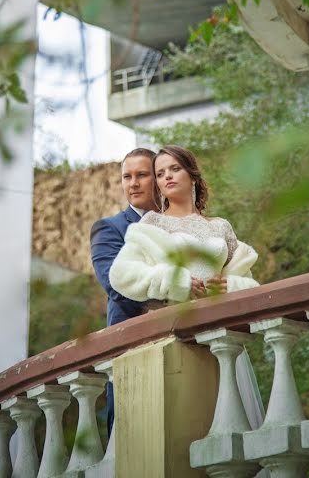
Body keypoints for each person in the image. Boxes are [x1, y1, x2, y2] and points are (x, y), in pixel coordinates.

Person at [109, 145, 266, 432]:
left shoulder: (221, 227)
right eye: (160, 173)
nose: (167, 176)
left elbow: (250, 282)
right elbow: (121, 274)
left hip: (219, 332)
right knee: (183, 422)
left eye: (174, 169)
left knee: (228, 420)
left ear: (192, 175)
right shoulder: (152, 223)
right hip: (174, 328)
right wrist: (173, 280)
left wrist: (230, 286)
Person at [90, 147, 159, 431]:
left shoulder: (180, 224)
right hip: (131, 344)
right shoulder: (109, 229)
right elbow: (117, 285)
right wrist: (176, 296)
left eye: (142, 175)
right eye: (127, 176)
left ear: (157, 177)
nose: (133, 183)